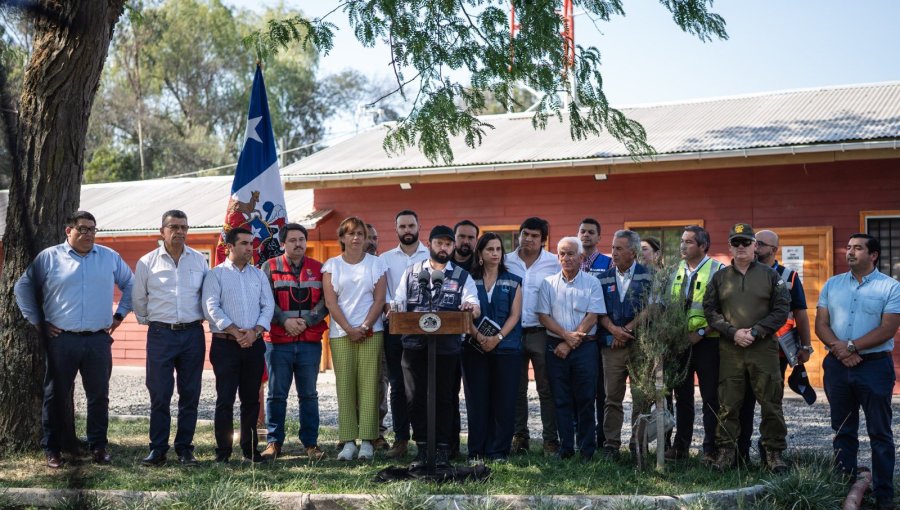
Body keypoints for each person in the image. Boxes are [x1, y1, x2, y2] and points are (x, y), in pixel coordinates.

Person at [15, 211, 134, 469]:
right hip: (61, 340)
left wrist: (119, 316)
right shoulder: (49, 257)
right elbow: (22, 288)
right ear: (68, 231)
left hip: (97, 341)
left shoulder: (109, 258)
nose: (89, 234)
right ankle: (53, 449)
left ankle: (98, 447)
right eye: (82, 228)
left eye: (93, 229)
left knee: (99, 396)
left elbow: (131, 285)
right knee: (55, 395)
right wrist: (38, 322)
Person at [816, 234, 899, 510]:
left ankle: (885, 494)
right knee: (842, 430)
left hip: (875, 367)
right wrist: (841, 351)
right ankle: (843, 484)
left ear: (873, 255)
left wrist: (850, 347)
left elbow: (888, 329)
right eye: (848, 248)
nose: (850, 252)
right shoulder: (832, 284)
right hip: (838, 367)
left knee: (880, 432)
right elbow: (821, 324)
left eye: (858, 248)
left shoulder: (891, 287)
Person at [703, 223, 790, 472]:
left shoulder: (771, 276)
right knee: (728, 403)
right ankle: (726, 453)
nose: (741, 247)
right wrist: (732, 332)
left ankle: (773, 454)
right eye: (736, 243)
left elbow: (782, 310)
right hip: (730, 348)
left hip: (763, 348)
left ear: (755, 246)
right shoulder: (720, 278)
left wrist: (755, 331)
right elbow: (710, 310)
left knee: (771, 402)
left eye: (746, 242)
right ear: (730, 246)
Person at [392, 225, 480, 469]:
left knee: (444, 399)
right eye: (439, 243)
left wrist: (471, 309)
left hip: (446, 348)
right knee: (415, 398)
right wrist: (393, 310)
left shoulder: (462, 276)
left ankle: (442, 449)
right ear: (429, 244)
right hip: (413, 347)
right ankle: (422, 447)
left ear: (452, 247)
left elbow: (474, 303)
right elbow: (399, 302)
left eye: (448, 244)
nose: (444, 248)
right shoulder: (412, 273)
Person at [133, 210, 208, 467]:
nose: (180, 232)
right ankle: (158, 449)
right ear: (162, 231)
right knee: (160, 394)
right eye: (174, 227)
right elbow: (139, 299)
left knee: (190, 394)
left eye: (184, 227)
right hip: (161, 334)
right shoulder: (147, 263)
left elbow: (205, 296)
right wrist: (151, 322)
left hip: (192, 334)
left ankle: (185, 448)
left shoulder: (199, 261)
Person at [737, 228, 814, 462]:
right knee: (743, 404)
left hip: (776, 352)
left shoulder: (789, 276)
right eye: (753, 243)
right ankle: (739, 454)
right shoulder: (740, 272)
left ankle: (770, 453)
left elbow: (800, 313)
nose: (755, 246)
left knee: (771, 404)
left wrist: (806, 346)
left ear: (773, 249)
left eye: (760, 243)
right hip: (742, 349)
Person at [202, 227, 275, 463]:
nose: (249, 248)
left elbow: (268, 307)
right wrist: (236, 332)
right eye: (244, 243)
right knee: (225, 398)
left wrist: (254, 332)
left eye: (251, 243)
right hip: (225, 345)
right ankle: (223, 452)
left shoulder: (258, 275)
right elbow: (211, 307)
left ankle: (250, 450)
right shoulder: (216, 275)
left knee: (251, 400)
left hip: (254, 345)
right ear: (229, 247)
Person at [259, 223, 329, 461]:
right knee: (276, 394)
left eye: (301, 239)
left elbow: (326, 302)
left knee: (308, 394)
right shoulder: (269, 267)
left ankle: (310, 444)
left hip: (309, 341)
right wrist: (284, 321)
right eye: (293, 240)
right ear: (283, 243)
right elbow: (265, 300)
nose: (298, 244)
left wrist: (307, 321)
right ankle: (273, 442)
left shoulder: (319, 269)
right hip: (278, 341)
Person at [323, 217, 388, 461]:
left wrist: (364, 326)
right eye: (350, 233)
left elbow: (379, 300)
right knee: (346, 386)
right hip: (341, 334)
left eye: (360, 233)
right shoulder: (332, 266)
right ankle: (348, 441)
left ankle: (368, 441)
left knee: (370, 386)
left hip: (371, 332)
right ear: (342, 238)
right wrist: (350, 329)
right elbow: (331, 302)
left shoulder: (376, 264)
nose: (356, 238)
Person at [537, 237, 606, 460]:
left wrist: (569, 342)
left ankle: (587, 449)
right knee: (561, 399)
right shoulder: (548, 283)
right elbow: (543, 316)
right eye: (562, 254)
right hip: (554, 347)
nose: (566, 258)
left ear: (581, 257)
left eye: (571, 254)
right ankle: (565, 448)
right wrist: (565, 338)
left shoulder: (592, 283)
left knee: (586, 398)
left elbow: (593, 315)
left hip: (585, 348)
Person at [462, 232, 523, 462]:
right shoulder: (468, 279)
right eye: (490, 249)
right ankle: (476, 450)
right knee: (477, 401)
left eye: (498, 249)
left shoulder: (514, 280)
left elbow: (515, 315)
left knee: (504, 401)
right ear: (480, 253)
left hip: (507, 348)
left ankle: (498, 451)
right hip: (473, 348)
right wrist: (478, 336)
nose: (495, 253)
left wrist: (496, 338)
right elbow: (464, 314)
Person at [666, 226, 725, 463]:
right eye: (681, 241)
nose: (683, 245)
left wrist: (701, 332)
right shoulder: (675, 270)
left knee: (711, 397)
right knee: (682, 397)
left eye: (689, 242)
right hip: (678, 343)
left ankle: (710, 449)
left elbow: (725, 311)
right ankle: (680, 447)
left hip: (707, 342)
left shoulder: (718, 270)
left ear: (702, 246)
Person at [506, 217, 561, 455]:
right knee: (515, 388)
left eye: (535, 236)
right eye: (525, 233)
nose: (528, 239)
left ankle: (550, 438)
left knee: (546, 387)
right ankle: (520, 436)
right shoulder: (506, 261)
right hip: (513, 332)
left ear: (543, 240)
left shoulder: (553, 263)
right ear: (518, 234)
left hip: (541, 332)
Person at [596, 230, 653, 460]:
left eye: (619, 248)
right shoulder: (602, 278)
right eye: (612, 248)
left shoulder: (650, 276)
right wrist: (614, 330)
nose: (614, 253)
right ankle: (611, 445)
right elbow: (597, 310)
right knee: (612, 398)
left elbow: (653, 307)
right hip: (612, 347)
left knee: (641, 397)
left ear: (634, 251)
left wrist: (627, 329)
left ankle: (637, 444)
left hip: (641, 345)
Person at [379, 210, 430, 458]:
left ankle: (424, 438)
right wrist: (390, 306)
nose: (407, 230)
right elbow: (382, 292)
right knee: (398, 385)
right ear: (396, 229)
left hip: (424, 330)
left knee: (422, 384)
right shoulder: (385, 259)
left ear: (419, 226)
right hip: (394, 327)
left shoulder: (431, 257)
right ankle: (400, 439)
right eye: (403, 226)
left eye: (411, 225)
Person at [365, 222, 390, 451]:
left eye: (375, 238)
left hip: (379, 333)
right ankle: (351, 433)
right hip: (348, 333)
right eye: (367, 237)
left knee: (379, 384)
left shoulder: (383, 265)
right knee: (352, 385)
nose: (371, 242)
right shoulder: (341, 265)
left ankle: (378, 433)